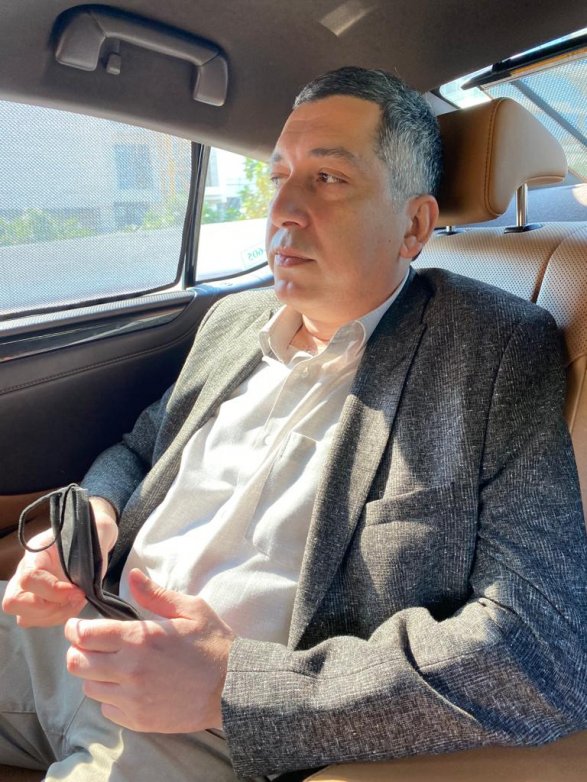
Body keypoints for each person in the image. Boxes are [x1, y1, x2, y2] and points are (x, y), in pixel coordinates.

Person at [2, 66, 587, 782]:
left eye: (328, 179)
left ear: (413, 226)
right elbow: (136, 450)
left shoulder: (494, 349)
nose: (282, 208)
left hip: (211, 729)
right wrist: (96, 516)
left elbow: (539, 652)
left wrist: (233, 688)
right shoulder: (232, 321)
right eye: (278, 176)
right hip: (81, 629)